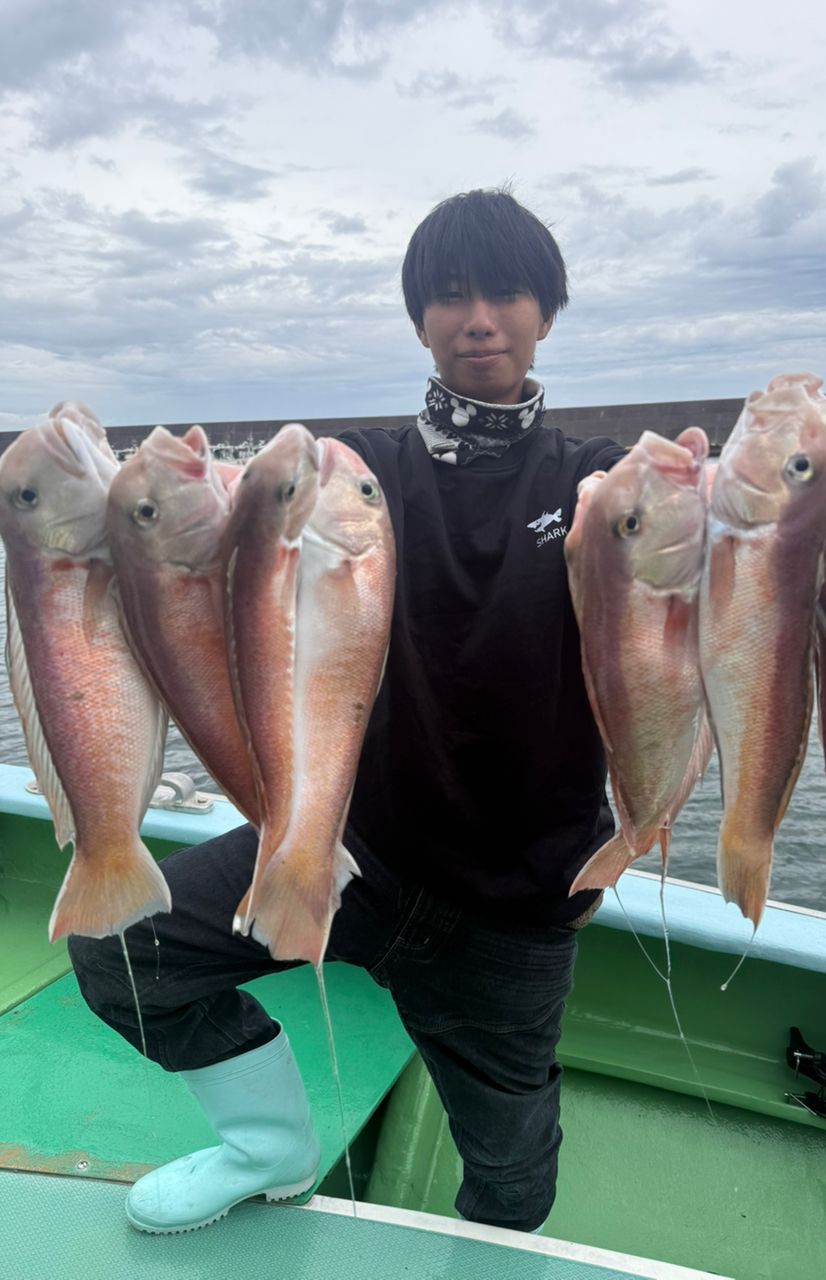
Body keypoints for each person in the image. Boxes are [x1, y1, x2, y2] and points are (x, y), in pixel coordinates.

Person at [68, 187, 626, 1236]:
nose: (478, 319)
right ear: (417, 317)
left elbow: (700, 535)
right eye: (449, 297)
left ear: (548, 312)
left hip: (516, 904)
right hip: (343, 850)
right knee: (119, 953)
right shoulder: (347, 475)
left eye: (506, 294)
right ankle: (268, 1146)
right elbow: (210, 529)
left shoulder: (595, 481)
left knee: (511, 1176)